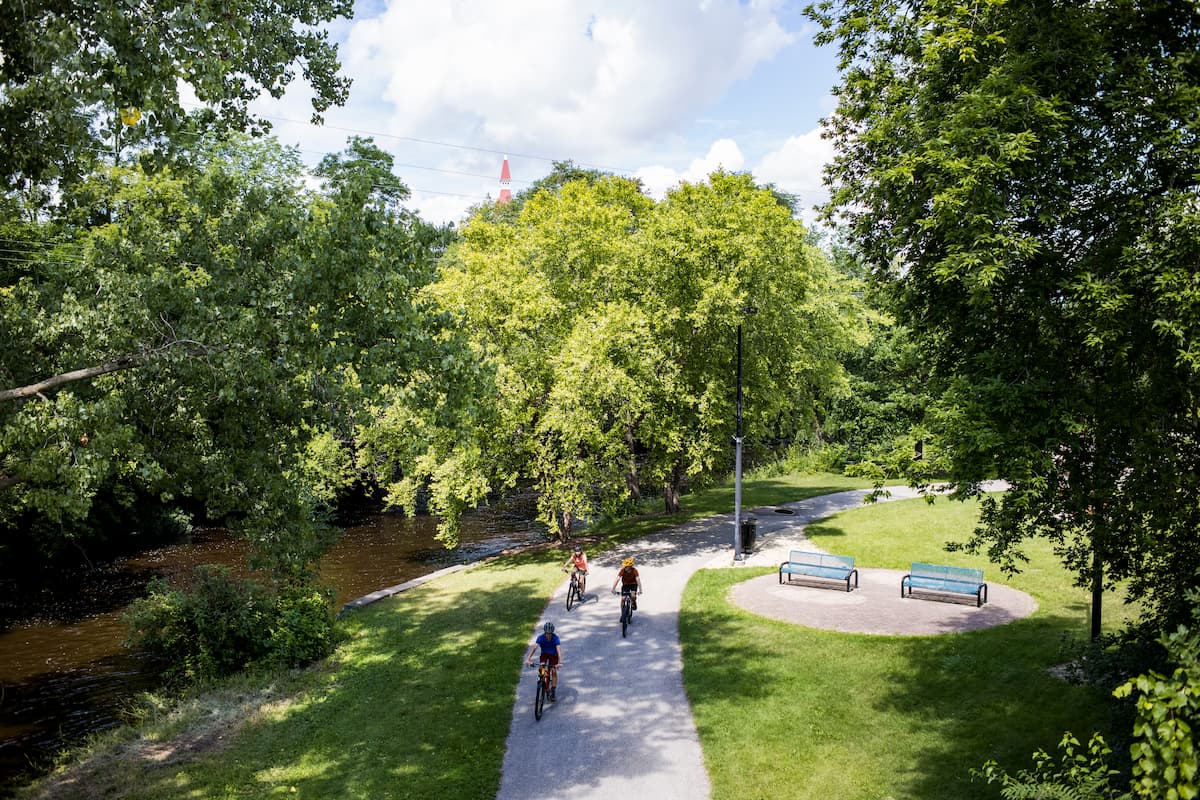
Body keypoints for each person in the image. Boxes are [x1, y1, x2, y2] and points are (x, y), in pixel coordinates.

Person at [525, 622, 563, 701]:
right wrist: (528, 659)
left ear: (552, 633)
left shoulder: (555, 638)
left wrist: (560, 662)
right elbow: (535, 648)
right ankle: (542, 680)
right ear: (544, 632)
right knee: (542, 667)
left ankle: (553, 690)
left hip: (554, 656)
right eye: (547, 633)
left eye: (550, 634)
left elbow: (559, 651)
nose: (548, 635)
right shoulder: (541, 637)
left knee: (554, 671)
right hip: (544, 654)